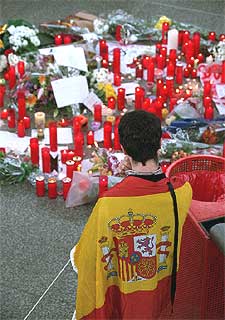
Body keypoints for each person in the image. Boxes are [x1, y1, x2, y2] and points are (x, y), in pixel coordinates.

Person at [71, 110, 192, 319]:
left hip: (125, 296)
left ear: (123, 149)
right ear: (159, 145)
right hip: (163, 293)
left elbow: (86, 258)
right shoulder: (183, 192)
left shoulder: (109, 204)